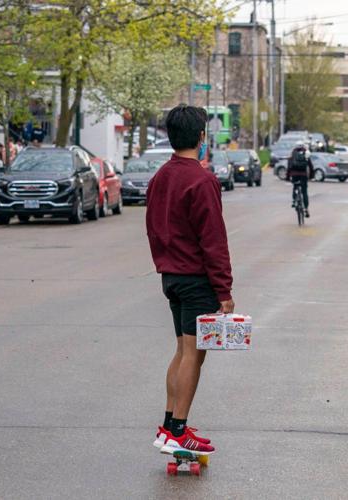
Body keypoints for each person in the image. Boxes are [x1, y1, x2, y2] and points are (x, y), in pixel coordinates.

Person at [146, 104, 232, 456]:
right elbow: (213, 240)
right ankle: (178, 431)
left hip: (172, 277)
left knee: (183, 350)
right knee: (194, 355)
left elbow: (152, 227)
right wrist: (223, 290)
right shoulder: (202, 179)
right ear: (201, 136)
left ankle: (169, 426)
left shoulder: (160, 178)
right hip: (197, 280)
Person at [286, 145, 312, 218]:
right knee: (304, 191)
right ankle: (306, 209)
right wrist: (311, 176)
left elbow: (289, 167)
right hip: (303, 175)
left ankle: (294, 201)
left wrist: (288, 177)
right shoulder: (306, 154)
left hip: (294, 175)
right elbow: (310, 166)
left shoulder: (292, 155)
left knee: (295, 187)